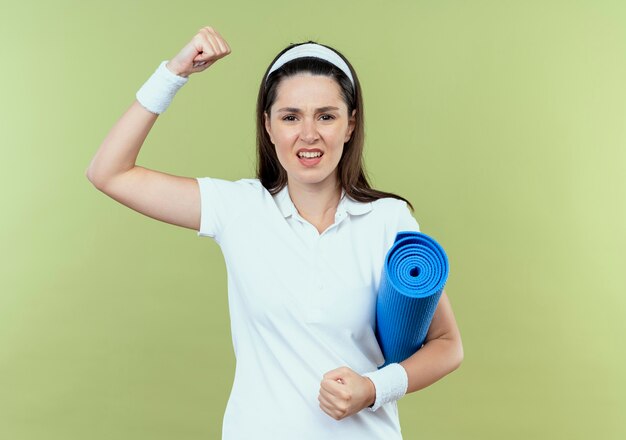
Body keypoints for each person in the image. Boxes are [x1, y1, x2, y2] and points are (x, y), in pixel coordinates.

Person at [86, 26, 463, 440]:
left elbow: (447, 345)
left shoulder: (389, 221)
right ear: (267, 125)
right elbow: (109, 172)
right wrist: (174, 73)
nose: (308, 134)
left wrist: (373, 388)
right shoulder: (238, 208)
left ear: (350, 125)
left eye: (326, 116)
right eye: (290, 117)